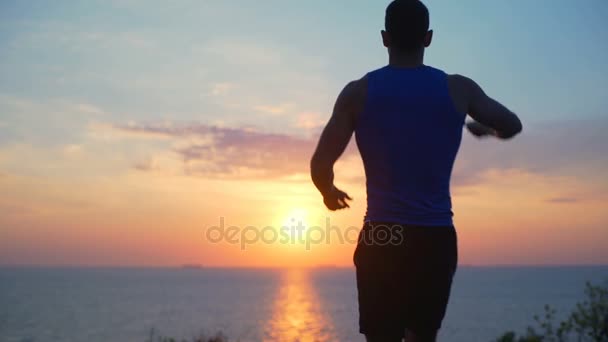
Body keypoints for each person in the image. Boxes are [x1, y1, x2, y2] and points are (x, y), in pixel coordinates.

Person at [310, 0, 523, 341]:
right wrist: (489, 131)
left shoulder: (358, 92)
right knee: (422, 336)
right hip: (435, 237)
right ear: (428, 38)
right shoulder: (458, 89)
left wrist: (329, 192)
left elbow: (321, 165)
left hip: (382, 234)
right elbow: (512, 124)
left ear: (384, 38)